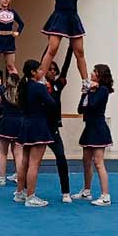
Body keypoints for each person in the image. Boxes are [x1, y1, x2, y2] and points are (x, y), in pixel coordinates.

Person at [14, 59, 55, 208]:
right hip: (38, 125)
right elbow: (52, 104)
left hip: (26, 124)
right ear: (33, 72)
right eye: (39, 70)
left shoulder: (23, 86)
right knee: (34, 163)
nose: (42, 72)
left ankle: (20, 192)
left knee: (25, 161)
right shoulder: (39, 87)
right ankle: (31, 196)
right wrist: (47, 89)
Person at [73, 64, 115, 207]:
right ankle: (86, 190)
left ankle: (105, 196)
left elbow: (93, 105)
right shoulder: (90, 90)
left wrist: (90, 92)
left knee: (98, 162)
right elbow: (80, 109)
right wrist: (86, 92)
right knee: (86, 160)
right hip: (89, 127)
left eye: (94, 71)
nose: (91, 73)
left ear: (100, 75)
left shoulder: (102, 90)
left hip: (98, 128)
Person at [44, 48, 74, 203]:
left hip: (53, 128)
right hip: (41, 127)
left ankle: (66, 192)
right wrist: (50, 46)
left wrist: (70, 48)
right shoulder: (41, 84)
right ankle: (24, 190)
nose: (52, 71)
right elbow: (44, 59)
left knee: (61, 157)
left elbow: (66, 67)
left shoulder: (58, 85)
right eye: (49, 69)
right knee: (32, 161)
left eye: (54, 69)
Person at [0, 72, 23, 187]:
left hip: (6, 122)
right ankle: (20, 178)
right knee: (18, 153)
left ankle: (2, 178)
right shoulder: (22, 93)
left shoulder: (4, 91)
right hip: (19, 122)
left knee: (3, 152)